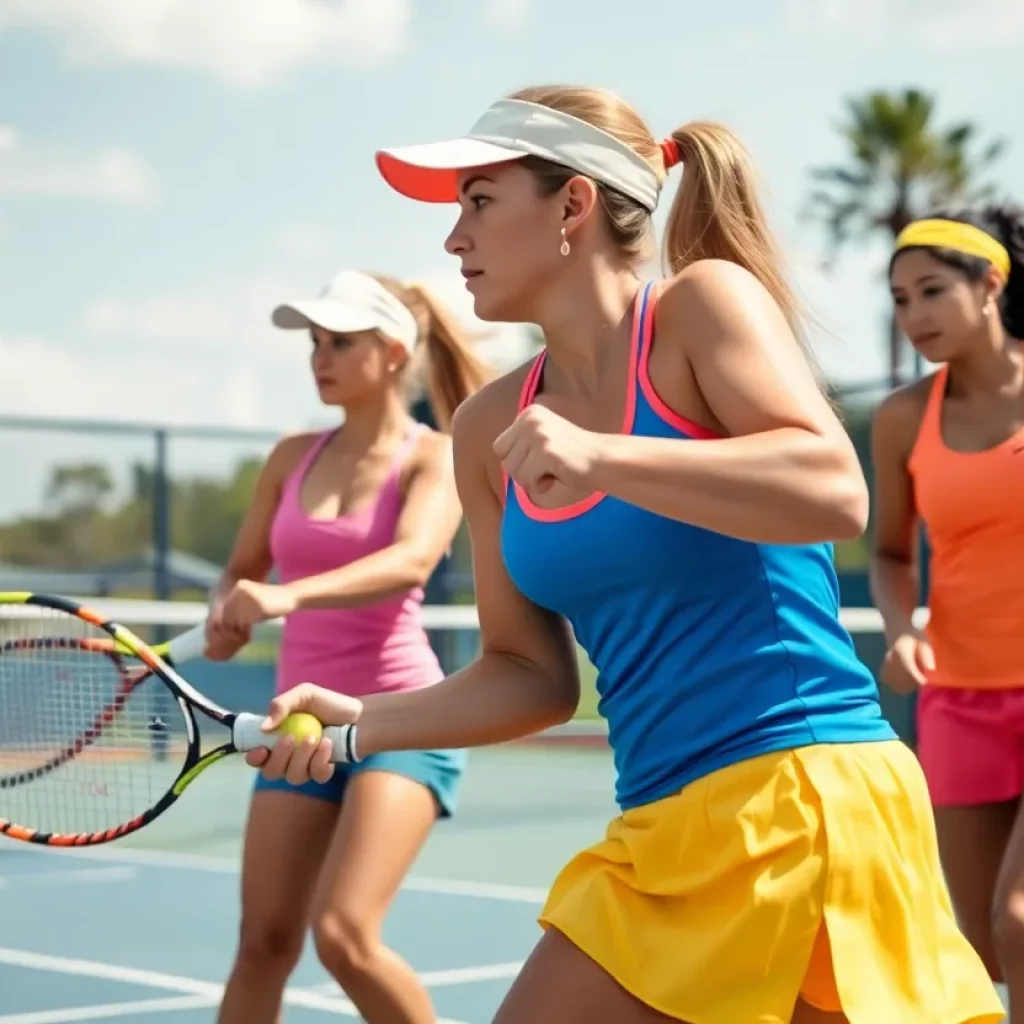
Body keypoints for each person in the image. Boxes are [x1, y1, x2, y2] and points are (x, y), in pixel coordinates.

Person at [244, 88, 1005, 1023]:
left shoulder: (700, 306)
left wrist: (605, 457)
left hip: (806, 796)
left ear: (572, 206)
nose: (452, 239)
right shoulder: (486, 426)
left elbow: (833, 491)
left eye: (478, 200)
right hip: (662, 826)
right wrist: (364, 720)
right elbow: (527, 675)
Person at [207, 269, 491, 1024]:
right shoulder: (289, 456)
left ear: (394, 352)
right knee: (262, 942)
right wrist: (226, 609)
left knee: (344, 935)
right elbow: (240, 571)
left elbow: (410, 559)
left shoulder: (436, 455)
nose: (320, 357)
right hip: (296, 729)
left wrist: (285, 595)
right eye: (314, 343)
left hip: (402, 718)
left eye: (340, 341)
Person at [870, 206, 1024, 1014]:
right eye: (899, 300)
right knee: (974, 945)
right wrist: (902, 631)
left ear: (990, 283)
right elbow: (891, 556)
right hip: (959, 699)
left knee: (1020, 920)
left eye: (931, 291)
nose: (913, 315)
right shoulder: (901, 419)